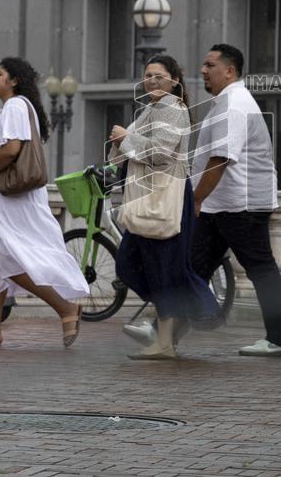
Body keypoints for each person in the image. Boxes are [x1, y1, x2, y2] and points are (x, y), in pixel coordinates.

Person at [0, 57, 90, 348]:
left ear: (14, 80)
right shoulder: (10, 108)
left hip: (11, 197)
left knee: (10, 257)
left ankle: (65, 308)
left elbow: (11, 150)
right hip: (2, 198)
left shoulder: (16, 106)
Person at [108, 55, 221, 360]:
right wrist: (122, 140)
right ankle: (179, 314)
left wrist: (125, 137)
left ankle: (168, 336)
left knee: (163, 268)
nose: (152, 81)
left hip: (165, 197)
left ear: (174, 80)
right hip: (148, 198)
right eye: (148, 76)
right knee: (134, 265)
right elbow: (128, 151)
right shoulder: (151, 109)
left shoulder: (173, 108)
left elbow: (160, 154)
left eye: (159, 76)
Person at [189, 43, 281, 356]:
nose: (203, 71)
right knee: (195, 267)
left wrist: (196, 199)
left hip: (240, 205)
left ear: (229, 71)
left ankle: (280, 338)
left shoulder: (233, 104)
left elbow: (221, 158)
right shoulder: (227, 101)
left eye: (210, 65)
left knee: (261, 269)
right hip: (225, 204)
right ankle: (162, 333)